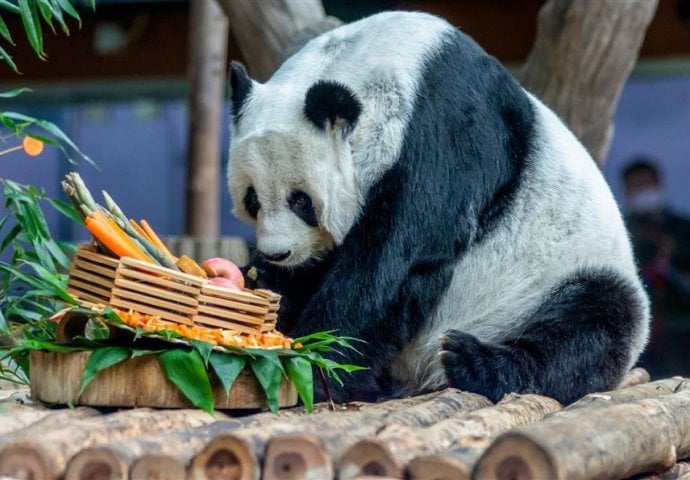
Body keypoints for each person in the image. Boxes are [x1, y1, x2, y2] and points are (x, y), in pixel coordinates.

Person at [622, 157, 690, 377]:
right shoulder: (620, 232)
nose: (642, 190)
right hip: (639, 334)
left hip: (682, 326)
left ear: (658, 182)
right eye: (636, 185)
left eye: (646, 183)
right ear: (626, 191)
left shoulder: (683, 228)